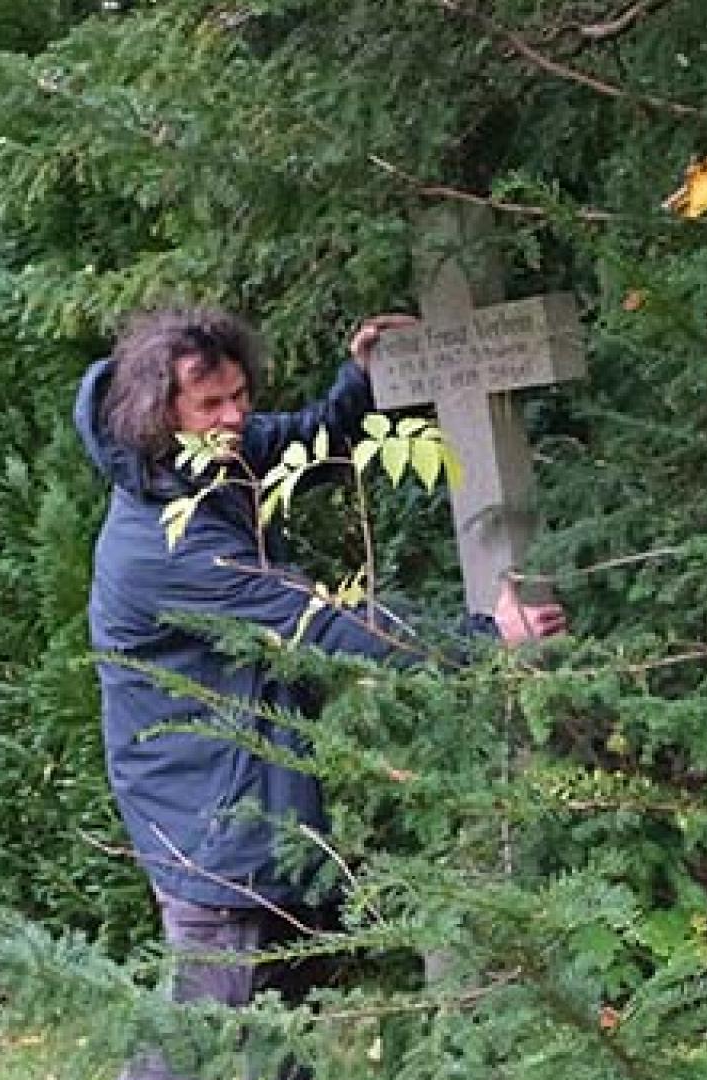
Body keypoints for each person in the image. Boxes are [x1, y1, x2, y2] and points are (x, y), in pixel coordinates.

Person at [73, 308, 565, 1079]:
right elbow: (315, 621)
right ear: (157, 416)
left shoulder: (206, 464)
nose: (236, 417)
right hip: (212, 830)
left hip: (251, 806)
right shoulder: (159, 545)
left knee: (282, 1044)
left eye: (239, 395)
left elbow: (306, 444)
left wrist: (360, 385)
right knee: (202, 1045)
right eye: (212, 406)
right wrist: (479, 637)